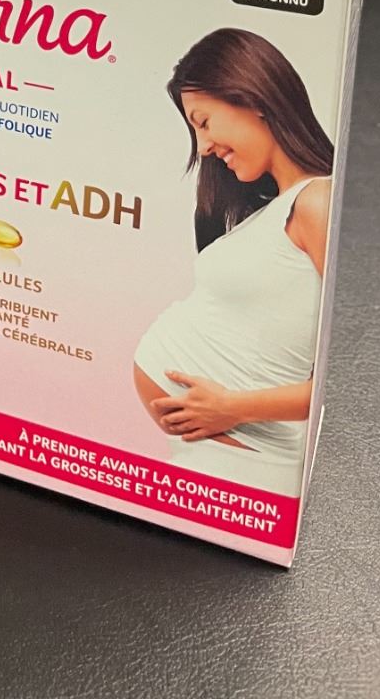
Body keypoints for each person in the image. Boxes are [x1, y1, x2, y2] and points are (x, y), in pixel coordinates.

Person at [133, 29, 333, 497]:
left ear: (252, 99)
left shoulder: (317, 202)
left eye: (203, 122)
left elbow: (350, 382)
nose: (203, 146)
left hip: (250, 454)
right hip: (223, 450)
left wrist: (233, 408)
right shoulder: (275, 208)